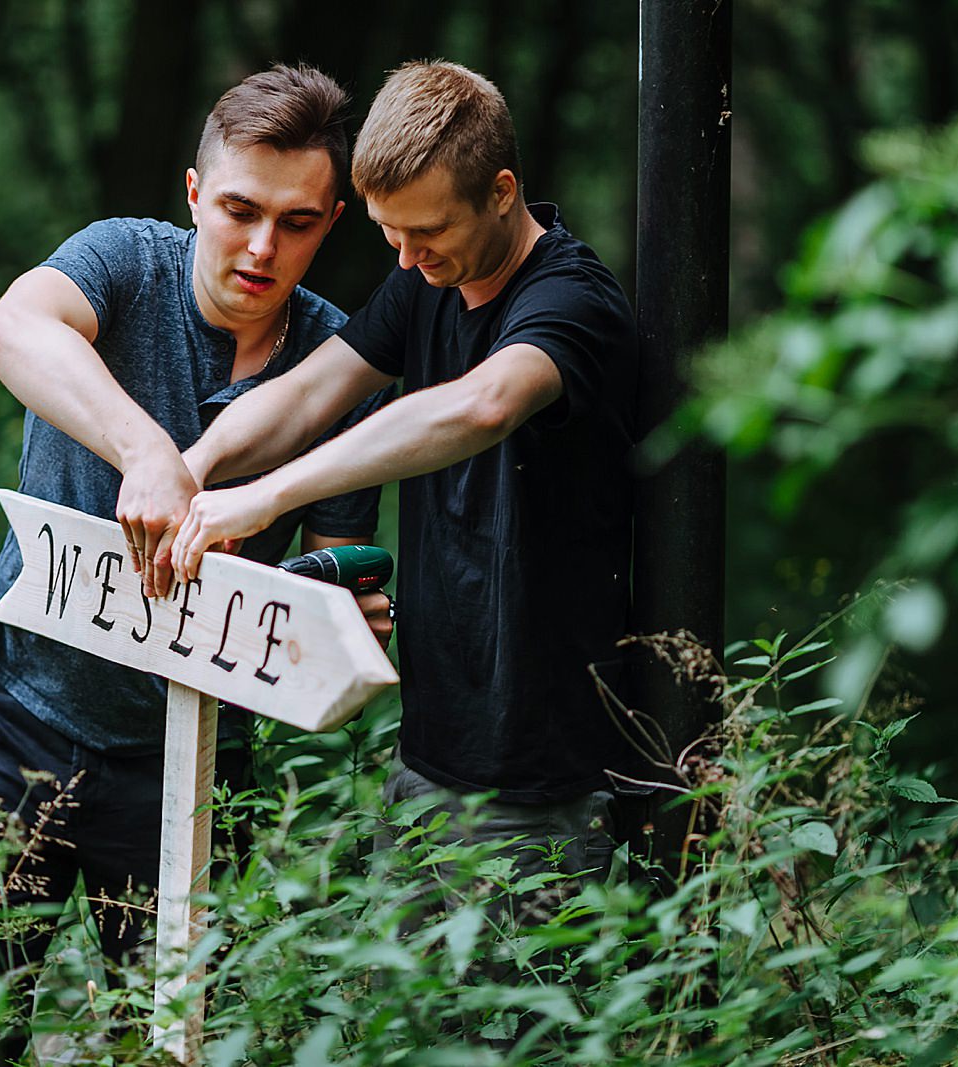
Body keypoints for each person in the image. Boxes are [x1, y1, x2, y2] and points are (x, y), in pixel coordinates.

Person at [0, 64, 393, 1064]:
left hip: (194, 763)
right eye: (239, 210)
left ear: (333, 219)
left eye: (297, 222)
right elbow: (12, 328)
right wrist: (148, 455)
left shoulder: (337, 358)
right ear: (192, 195)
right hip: (13, 720)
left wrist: (342, 610)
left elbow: (331, 561)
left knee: (174, 1047)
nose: (263, 247)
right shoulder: (122, 260)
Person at [165, 61, 640, 903]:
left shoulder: (571, 298)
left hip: (545, 778)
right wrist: (195, 470)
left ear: (501, 191)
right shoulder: (424, 280)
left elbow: (482, 405)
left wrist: (269, 494)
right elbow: (309, 392)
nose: (410, 259)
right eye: (390, 235)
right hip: (427, 754)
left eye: (428, 233)